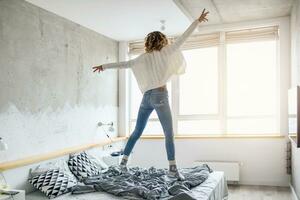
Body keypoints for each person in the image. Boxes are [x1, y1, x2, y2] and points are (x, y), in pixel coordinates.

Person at [93, 9, 209, 180]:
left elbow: (123, 64)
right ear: (162, 40)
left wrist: (104, 66)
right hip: (160, 97)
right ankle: (172, 169)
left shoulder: (141, 58)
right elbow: (184, 38)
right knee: (169, 133)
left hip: (146, 98)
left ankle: (123, 164)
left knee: (137, 132)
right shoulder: (167, 51)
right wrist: (197, 21)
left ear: (148, 42)